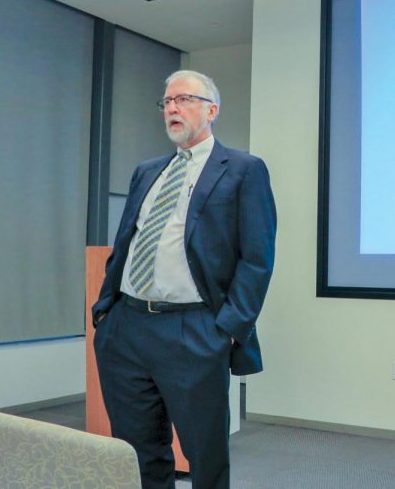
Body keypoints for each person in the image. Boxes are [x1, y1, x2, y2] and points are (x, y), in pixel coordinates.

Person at [91, 70, 276, 489]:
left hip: (193, 329)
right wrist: (106, 312)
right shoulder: (147, 171)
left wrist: (227, 330)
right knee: (138, 451)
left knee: (204, 454)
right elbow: (127, 244)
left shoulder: (244, 170)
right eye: (167, 102)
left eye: (184, 99)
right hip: (127, 328)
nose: (171, 108)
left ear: (212, 110)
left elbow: (257, 258)